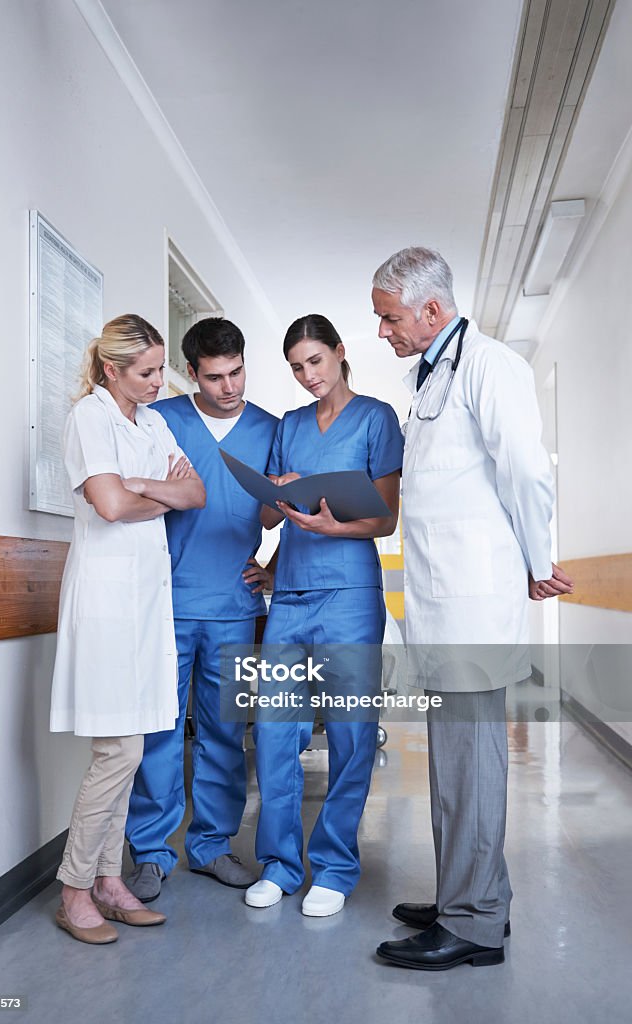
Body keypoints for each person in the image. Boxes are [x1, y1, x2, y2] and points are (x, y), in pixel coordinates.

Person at [371, 247, 573, 970]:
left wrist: (538, 561)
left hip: (472, 608)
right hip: (441, 605)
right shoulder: (435, 375)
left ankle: (476, 922)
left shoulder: (492, 366)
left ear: (431, 309)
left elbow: (523, 469)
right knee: (456, 767)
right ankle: (471, 891)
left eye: (390, 317)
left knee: (471, 770)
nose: (384, 331)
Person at [50, 314, 205, 944]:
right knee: (119, 752)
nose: (159, 381)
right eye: (145, 372)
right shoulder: (91, 417)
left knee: (132, 746)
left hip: (146, 605)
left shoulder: (154, 420)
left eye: (160, 368)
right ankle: (74, 888)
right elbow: (108, 507)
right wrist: (151, 494)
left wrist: (139, 485)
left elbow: (194, 493)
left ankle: (109, 882)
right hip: (109, 606)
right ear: (112, 370)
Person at [244, 313, 403, 917]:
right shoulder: (287, 426)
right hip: (290, 597)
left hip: (351, 596)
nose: (308, 375)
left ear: (339, 353)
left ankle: (334, 867)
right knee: (276, 732)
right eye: (296, 368)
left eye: (315, 361)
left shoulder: (376, 418)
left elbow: (384, 519)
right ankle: (281, 865)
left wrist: (336, 525)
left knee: (349, 733)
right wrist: (275, 512)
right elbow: (278, 516)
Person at [125, 318, 279, 901]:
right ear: (191, 373)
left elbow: (281, 506)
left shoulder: (270, 428)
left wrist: (275, 565)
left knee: (222, 732)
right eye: (214, 377)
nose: (229, 386)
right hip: (167, 601)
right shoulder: (163, 420)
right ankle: (150, 853)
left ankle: (212, 845)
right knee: (160, 729)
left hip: (235, 605)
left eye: (237, 371)